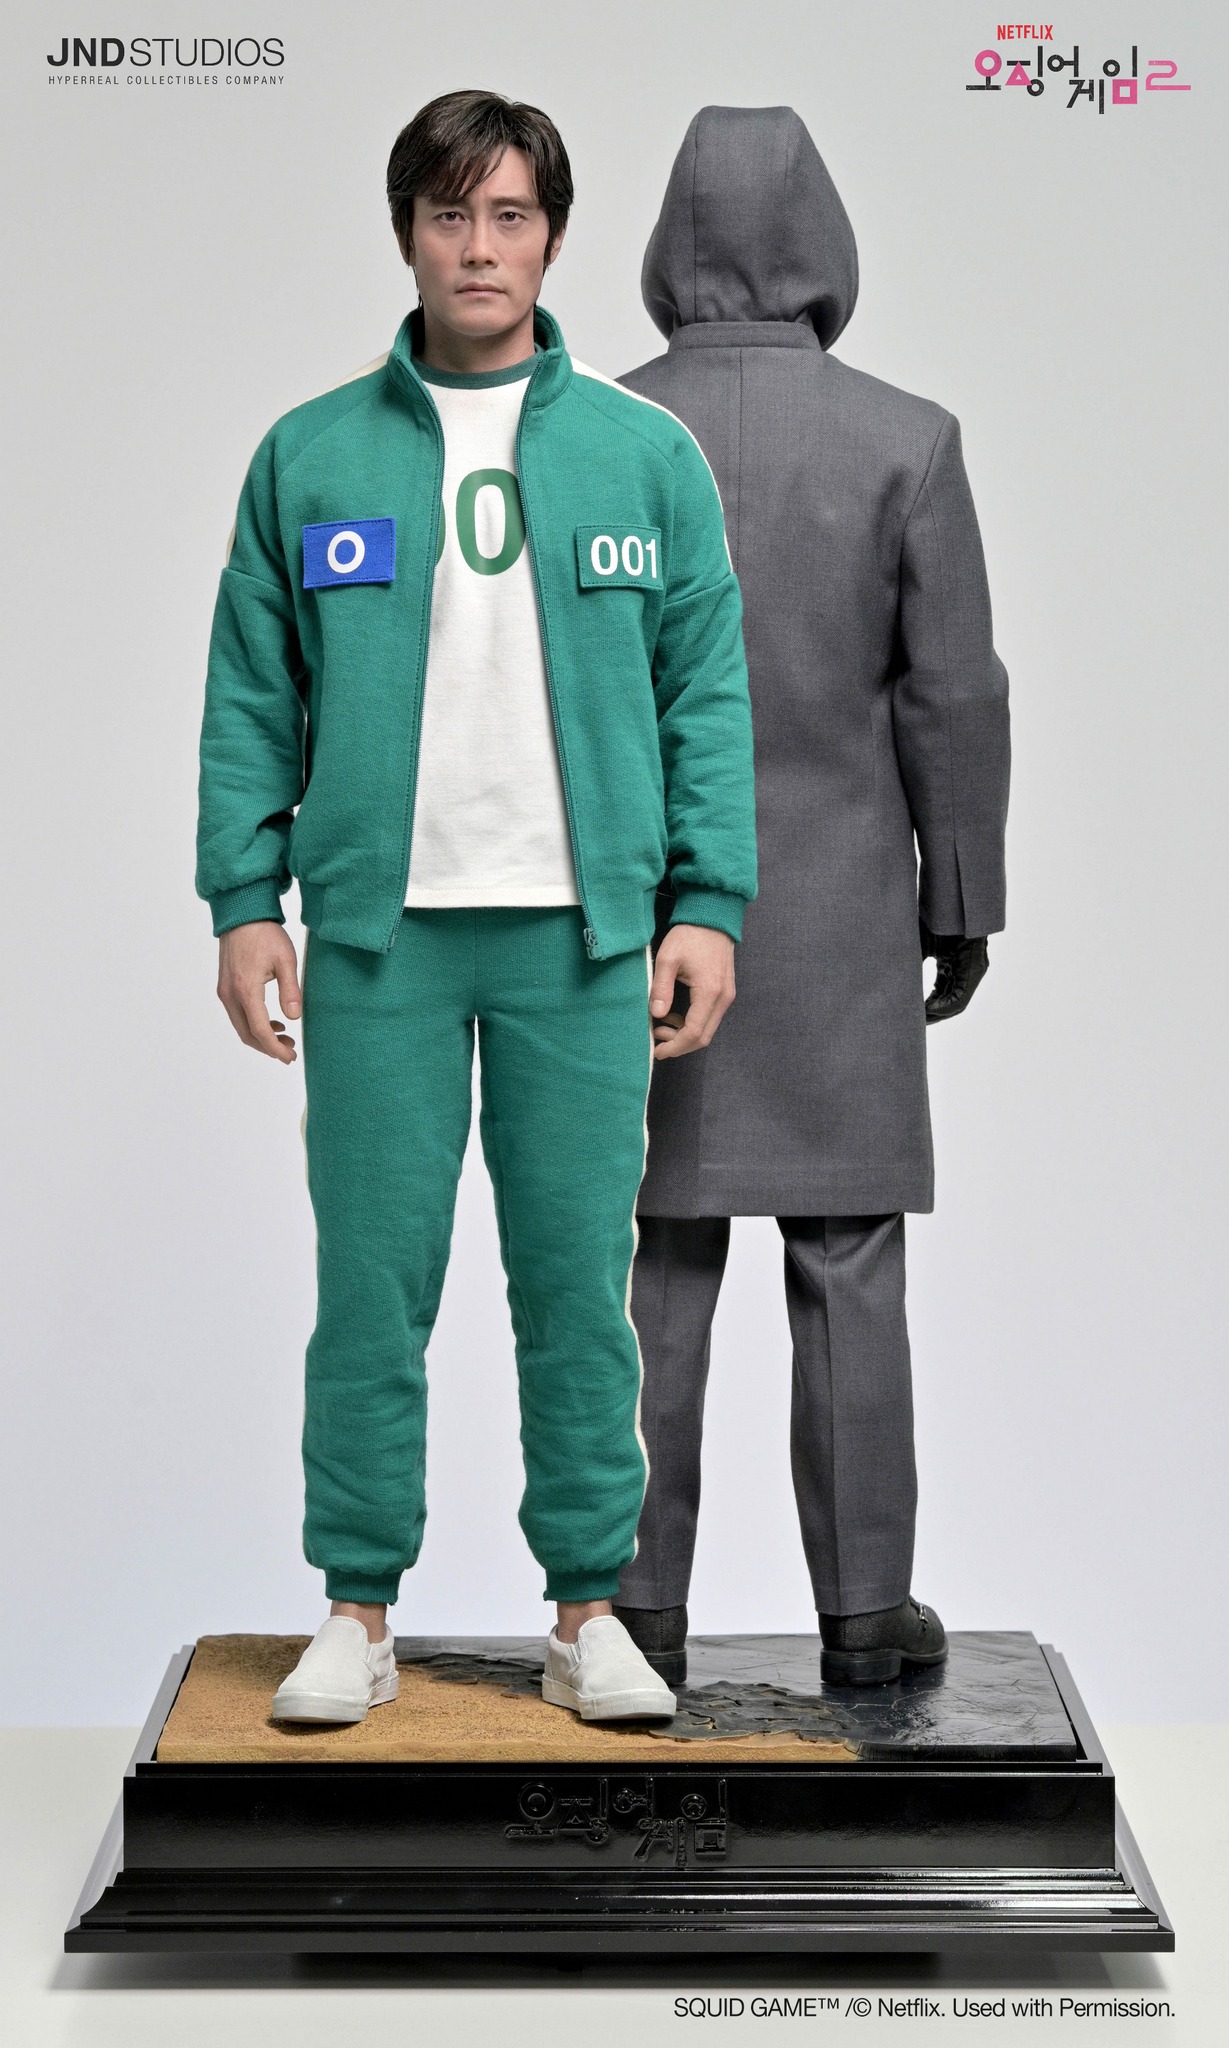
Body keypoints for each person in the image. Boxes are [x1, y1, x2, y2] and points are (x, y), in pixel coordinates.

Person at [195, 90, 756, 1725]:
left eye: (510, 215)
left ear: (553, 238)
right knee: (371, 1291)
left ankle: (586, 1613)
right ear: (407, 234)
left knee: (575, 1290)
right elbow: (251, 694)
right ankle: (356, 1613)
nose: (480, 247)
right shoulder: (312, 454)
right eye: (450, 215)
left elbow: (705, 694)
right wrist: (244, 898)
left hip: (581, 940)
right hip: (379, 939)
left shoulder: (644, 456)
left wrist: (707, 901)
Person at [610, 107, 1010, 1688]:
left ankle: (633, 1613)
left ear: (669, 244)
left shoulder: (599, 430)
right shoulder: (904, 439)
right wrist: (958, 893)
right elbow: (951, 694)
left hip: (646, 920)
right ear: (824, 242)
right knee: (846, 1261)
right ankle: (863, 1614)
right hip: (840, 913)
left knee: (653, 1262)